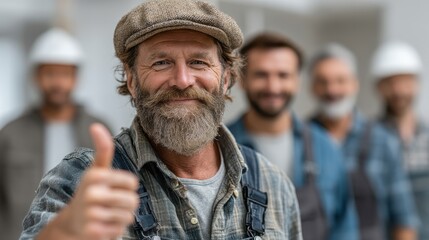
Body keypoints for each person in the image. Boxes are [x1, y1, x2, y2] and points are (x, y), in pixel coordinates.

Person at [19, 1, 303, 240]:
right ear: (131, 80)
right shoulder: (80, 181)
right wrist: (62, 232)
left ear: (226, 78)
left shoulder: (272, 182)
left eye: (199, 62)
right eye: (161, 63)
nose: (182, 80)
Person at [228, 33, 357, 240]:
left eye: (283, 75)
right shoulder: (221, 148)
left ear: (297, 81)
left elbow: (345, 227)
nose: (273, 87)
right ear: (242, 79)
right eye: (261, 75)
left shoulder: (325, 147)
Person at [0, 28, 111, 240]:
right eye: (50, 73)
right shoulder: (9, 134)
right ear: (36, 76)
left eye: (65, 74)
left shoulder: (98, 130)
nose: (58, 83)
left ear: (76, 78)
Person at [308, 43, 419, 240]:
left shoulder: (383, 140)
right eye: (322, 82)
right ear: (312, 87)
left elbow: (404, 220)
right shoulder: (301, 139)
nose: (332, 89)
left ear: (354, 84)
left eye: (340, 80)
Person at [372, 41, 429, 240]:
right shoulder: (366, 140)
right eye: (390, 83)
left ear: (417, 84)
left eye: (405, 81)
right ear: (379, 87)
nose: (398, 91)